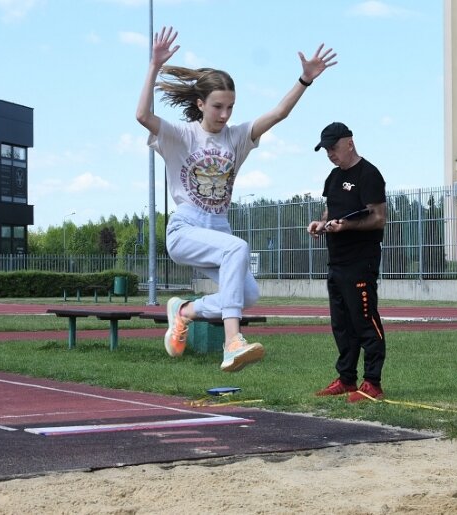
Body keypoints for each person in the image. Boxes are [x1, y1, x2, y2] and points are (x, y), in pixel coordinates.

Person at [136, 27, 337, 372]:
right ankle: (232, 342)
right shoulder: (181, 136)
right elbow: (143, 116)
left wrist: (304, 80)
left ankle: (183, 311)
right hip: (185, 230)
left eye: (230, 107)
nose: (225, 114)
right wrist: (154, 66)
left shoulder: (237, 137)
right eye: (218, 107)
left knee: (247, 296)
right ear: (200, 104)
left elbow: (278, 113)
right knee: (237, 249)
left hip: (217, 229)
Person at [307, 122, 388, 402]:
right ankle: (346, 379)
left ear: (349, 143)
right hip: (337, 262)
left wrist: (348, 226)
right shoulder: (332, 176)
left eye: (333, 147)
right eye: (326, 149)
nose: (330, 153)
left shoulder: (369, 174)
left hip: (361, 261)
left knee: (365, 320)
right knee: (341, 324)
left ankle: (373, 383)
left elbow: (378, 218)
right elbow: (330, 210)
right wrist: (321, 223)